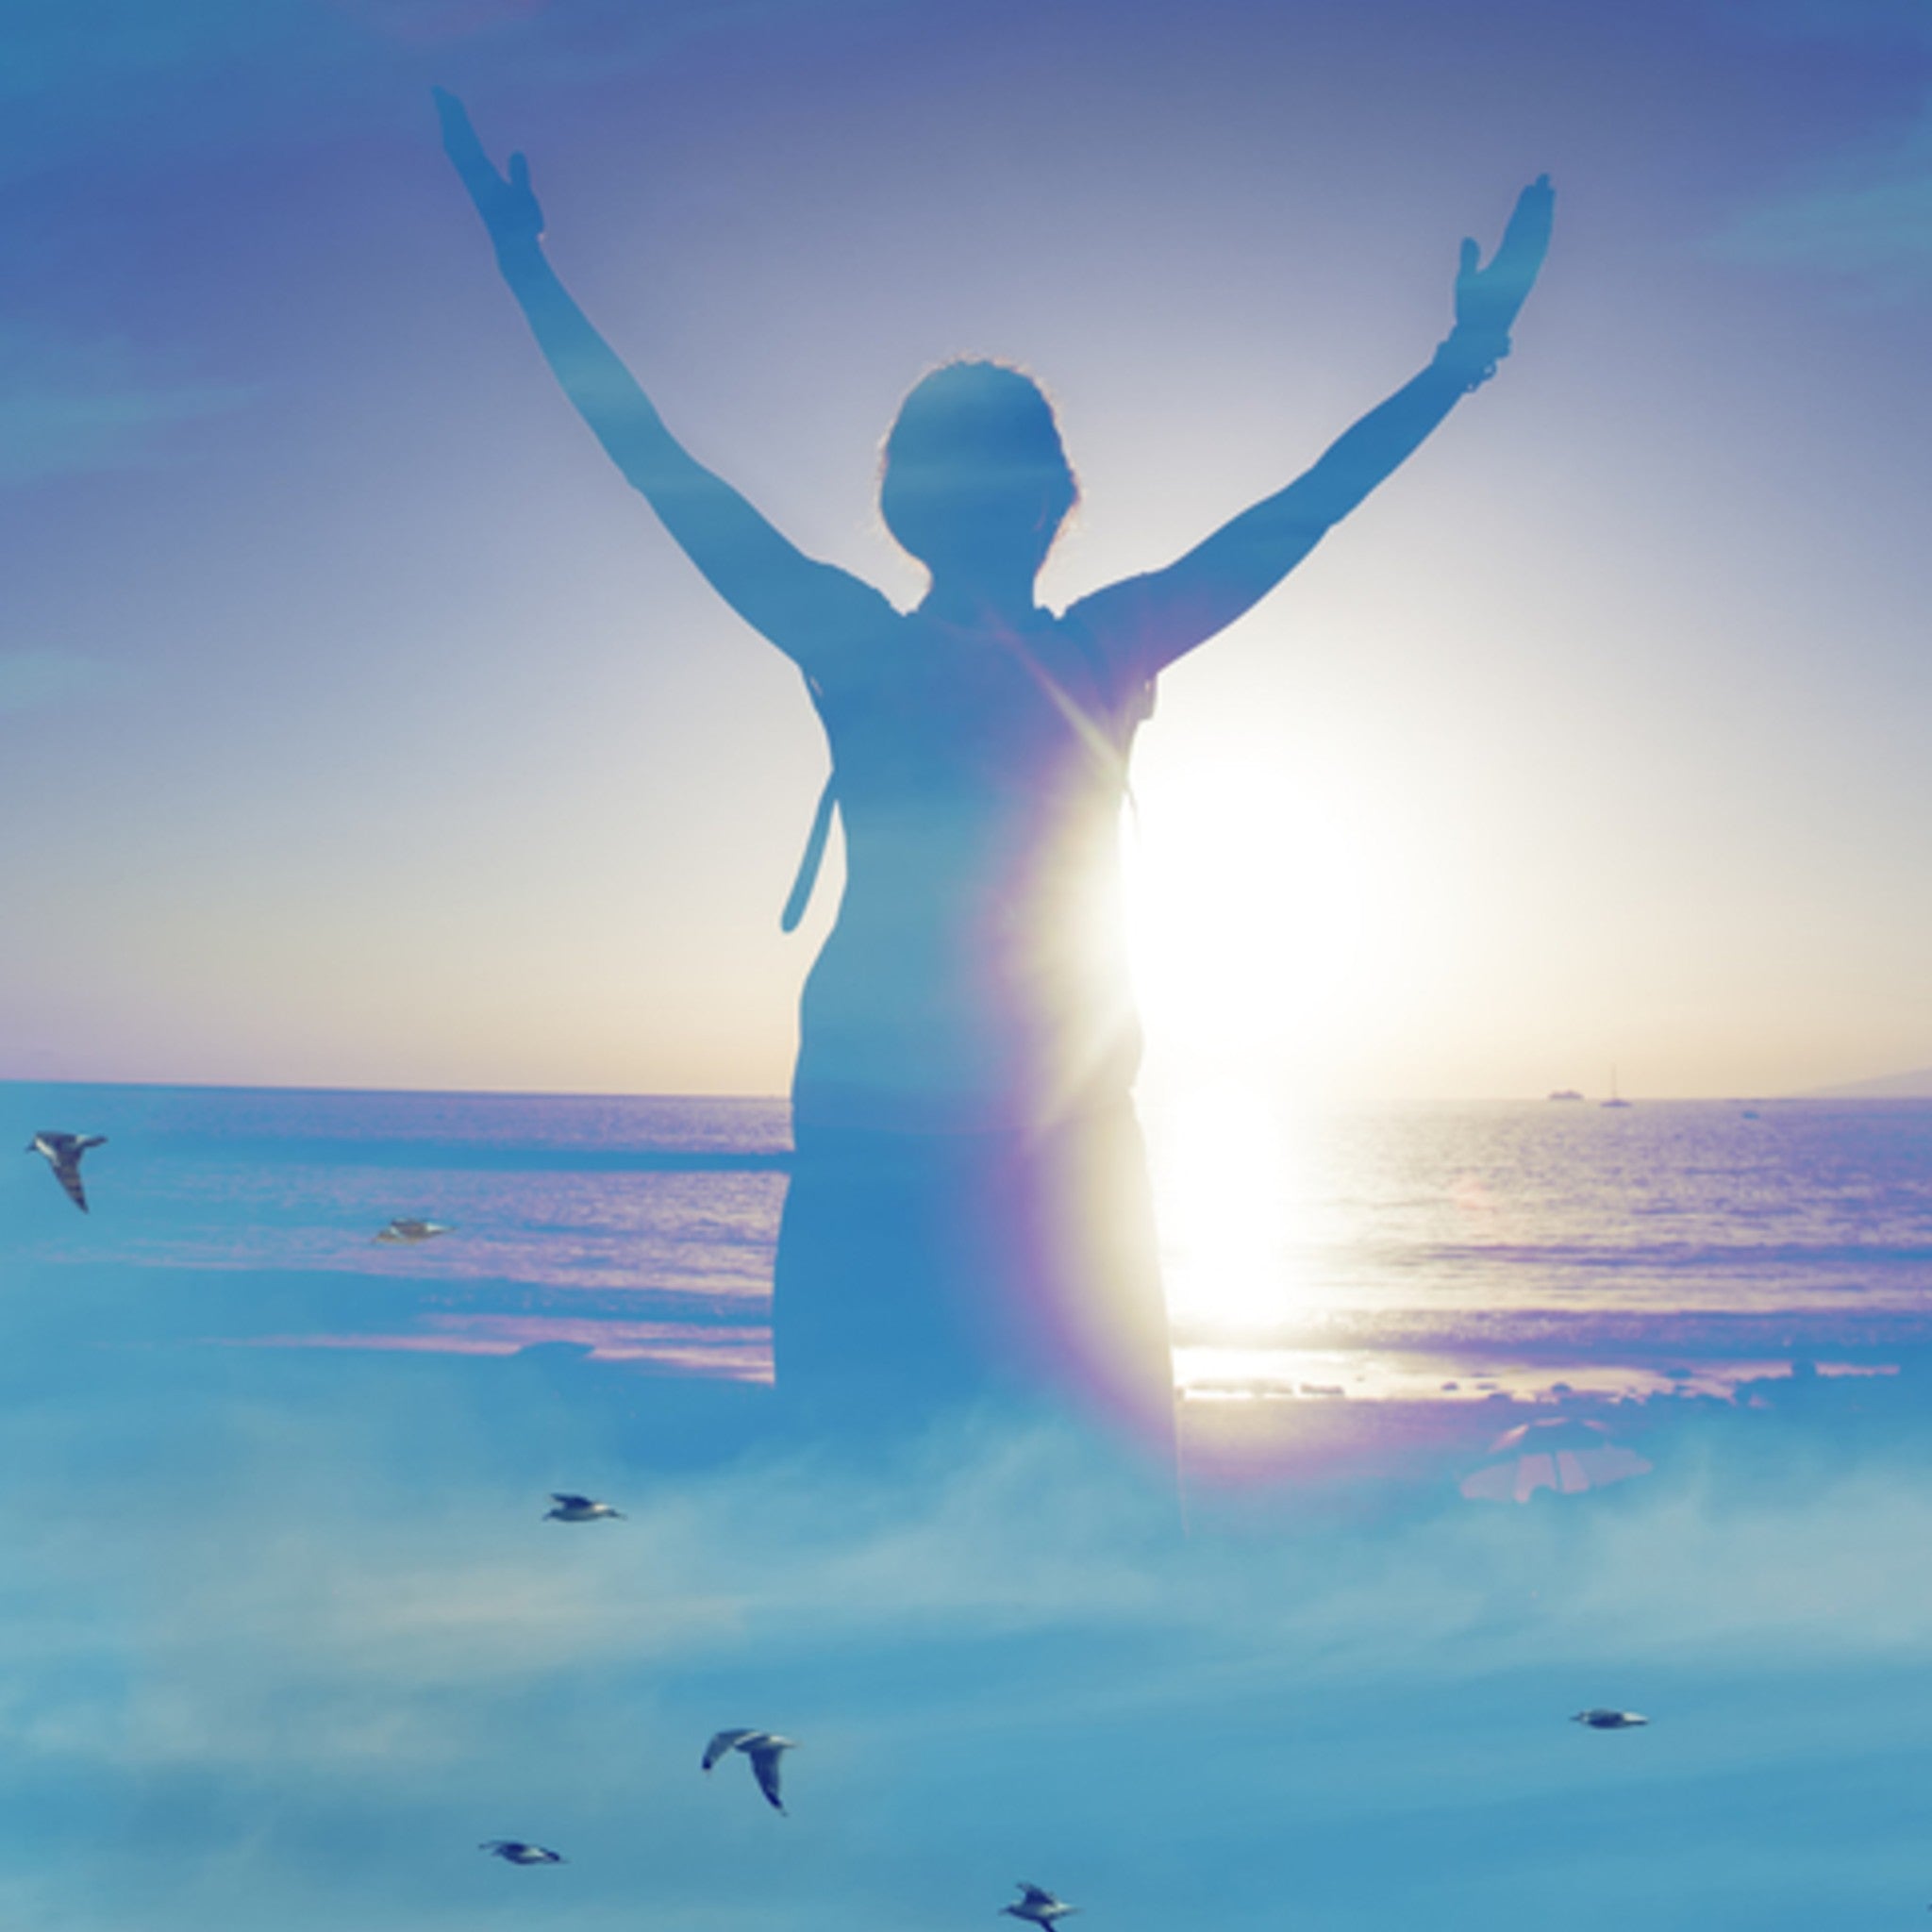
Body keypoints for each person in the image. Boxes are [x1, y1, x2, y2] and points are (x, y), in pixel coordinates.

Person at [435, 91, 1553, 1455]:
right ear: (1043, 498)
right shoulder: (1069, 645)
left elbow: (656, 465)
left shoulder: (897, 642)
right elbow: (1304, 509)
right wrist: (1456, 363)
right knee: (997, 1479)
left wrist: (527, 268)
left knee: (913, 1471)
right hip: (969, 1129)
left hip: (999, 1128)